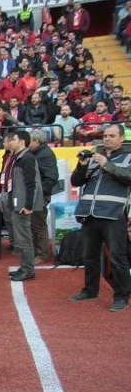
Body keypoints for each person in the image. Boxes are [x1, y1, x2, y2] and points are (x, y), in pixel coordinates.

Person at [69, 124, 131, 311]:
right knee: (89, 256)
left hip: (113, 215)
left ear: (121, 138)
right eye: (105, 135)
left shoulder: (128, 156)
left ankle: (121, 296)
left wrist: (106, 164)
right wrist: (81, 166)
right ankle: (90, 290)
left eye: (112, 135)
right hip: (90, 213)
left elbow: (128, 177)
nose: (107, 139)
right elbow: (76, 181)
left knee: (117, 258)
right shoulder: (94, 157)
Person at [7, 131, 44, 282]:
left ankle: (28, 270)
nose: (10, 142)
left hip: (22, 205)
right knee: (21, 238)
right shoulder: (19, 157)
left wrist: (28, 205)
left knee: (25, 238)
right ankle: (24, 267)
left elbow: (31, 184)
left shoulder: (27, 158)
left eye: (13, 139)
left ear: (21, 141)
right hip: (18, 203)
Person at [28, 129, 59, 263]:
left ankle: (42, 254)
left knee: (39, 224)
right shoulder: (38, 153)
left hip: (40, 196)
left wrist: (40, 193)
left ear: (36, 141)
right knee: (34, 224)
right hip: (36, 194)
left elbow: (51, 177)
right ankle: (37, 251)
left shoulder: (45, 154)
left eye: (30, 140)